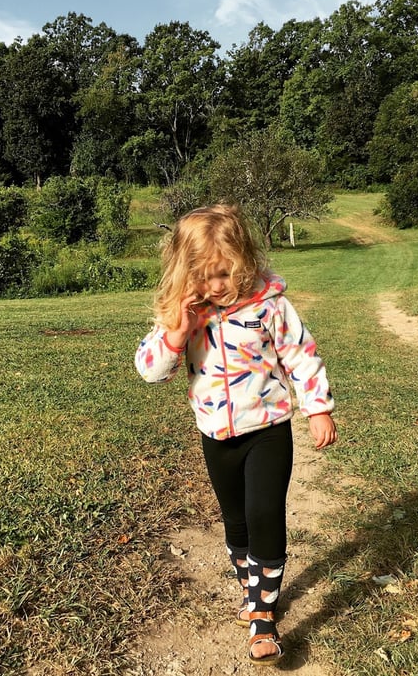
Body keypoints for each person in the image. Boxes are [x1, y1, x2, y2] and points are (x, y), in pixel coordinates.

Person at [134, 204, 337, 665]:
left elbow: (301, 356)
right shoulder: (184, 312)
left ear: (244, 261)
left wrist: (318, 408)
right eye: (205, 276)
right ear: (186, 273)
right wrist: (178, 331)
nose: (217, 286)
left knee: (265, 512)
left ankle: (263, 617)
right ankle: (251, 589)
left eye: (226, 274)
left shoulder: (269, 304)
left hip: (268, 429)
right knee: (237, 522)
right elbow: (150, 372)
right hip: (216, 434)